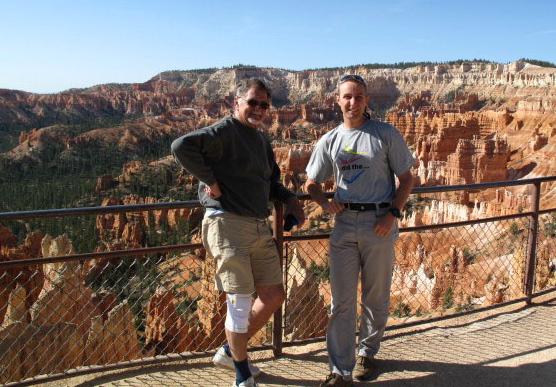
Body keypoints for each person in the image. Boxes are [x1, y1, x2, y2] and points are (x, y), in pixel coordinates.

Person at [171, 78, 305, 387]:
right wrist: (210, 181)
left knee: (273, 295)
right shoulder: (225, 131)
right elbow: (181, 147)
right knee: (240, 301)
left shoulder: (260, 141)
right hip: (228, 223)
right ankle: (242, 373)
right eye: (252, 103)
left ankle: (230, 352)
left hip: (258, 225)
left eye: (263, 105)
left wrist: (291, 200)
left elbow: (270, 182)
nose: (258, 109)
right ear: (237, 103)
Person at [305, 74, 415, 386]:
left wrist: (393, 213)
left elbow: (407, 179)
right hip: (343, 226)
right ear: (337, 100)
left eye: (358, 97)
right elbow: (310, 183)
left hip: (379, 223)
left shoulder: (384, 133)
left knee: (375, 295)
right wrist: (324, 203)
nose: (352, 102)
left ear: (366, 100)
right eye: (347, 97)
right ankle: (340, 370)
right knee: (341, 301)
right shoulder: (330, 140)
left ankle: (368, 352)